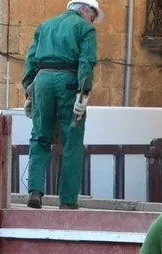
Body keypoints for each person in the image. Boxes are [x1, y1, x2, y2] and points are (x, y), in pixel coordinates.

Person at [22, 0, 102, 210]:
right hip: (68, 82)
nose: (92, 21)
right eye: (92, 16)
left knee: (39, 136)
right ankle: (67, 200)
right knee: (71, 141)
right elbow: (86, 61)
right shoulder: (85, 29)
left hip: (42, 82)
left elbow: (30, 59)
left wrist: (29, 92)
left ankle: (35, 192)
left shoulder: (44, 26)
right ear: (84, 9)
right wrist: (83, 94)